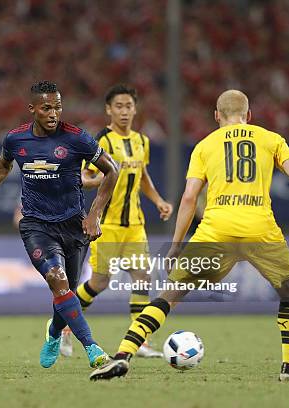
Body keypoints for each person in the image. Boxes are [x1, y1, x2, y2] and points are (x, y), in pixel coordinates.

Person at [90, 90, 289, 382]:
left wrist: (176, 245)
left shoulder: (205, 146)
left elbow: (190, 197)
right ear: (249, 115)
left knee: (170, 295)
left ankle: (122, 356)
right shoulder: (271, 140)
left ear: (217, 116)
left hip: (215, 231)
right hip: (261, 230)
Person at [0, 80, 119, 369]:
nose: (54, 113)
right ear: (32, 109)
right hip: (35, 225)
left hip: (73, 225)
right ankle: (92, 348)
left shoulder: (77, 139)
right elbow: (3, 165)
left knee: (66, 290)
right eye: (46, 108)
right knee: (57, 279)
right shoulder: (16, 140)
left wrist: (94, 214)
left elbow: (112, 171)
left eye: (58, 107)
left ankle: (54, 332)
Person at [60, 84, 173, 358]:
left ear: (135, 109)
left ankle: (140, 340)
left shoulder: (141, 141)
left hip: (135, 224)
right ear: (108, 110)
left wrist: (158, 200)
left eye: (128, 106)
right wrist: (96, 179)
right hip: (106, 224)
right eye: (118, 107)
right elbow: (85, 177)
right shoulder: (103, 141)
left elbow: (142, 175)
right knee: (99, 282)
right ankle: (62, 324)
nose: (124, 111)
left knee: (142, 278)